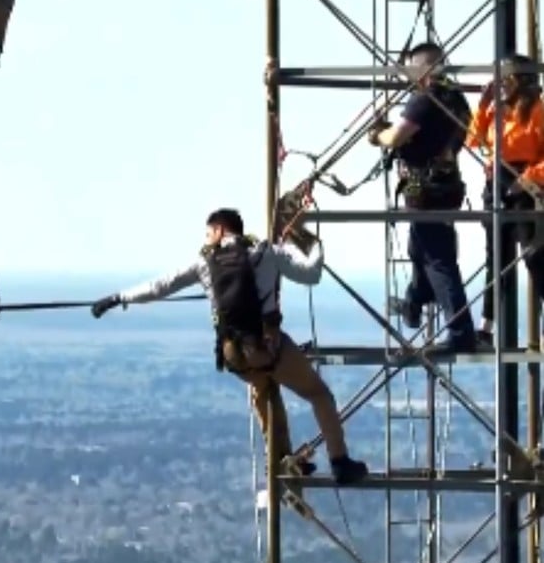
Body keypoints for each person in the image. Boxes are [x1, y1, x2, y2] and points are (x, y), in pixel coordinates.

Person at [89, 208, 369, 486]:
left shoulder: (203, 263)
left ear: (221, 230)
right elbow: (311, 274)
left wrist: (119, 297)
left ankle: (281, 460)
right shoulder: (266, 252)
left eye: (209, 232)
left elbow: (161, 286)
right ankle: (340, 462)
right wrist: (315, 245)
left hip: (235, 356)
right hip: (269, 348)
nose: (207, 238)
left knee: (263, 390)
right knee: (319, 394)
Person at [369, 41, 478, 353]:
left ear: (422, 67)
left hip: (426, 191)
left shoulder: (425, 99)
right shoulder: (457, 100)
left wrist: (378, 134)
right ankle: (415, 300)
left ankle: (460, 333)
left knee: (437, 260)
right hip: (447, 187)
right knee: (420, 249)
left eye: (411, 69)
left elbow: (397, 136)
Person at [466, 53, 544, 345]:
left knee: (534, 256)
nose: (498, 84)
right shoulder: (497, 110)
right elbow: (473, 141)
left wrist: (528, 179)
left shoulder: (536, 110)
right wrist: (484, 106)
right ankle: (486, 327)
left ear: (518, 80)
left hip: (526, 185)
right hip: (496, 182)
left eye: (504, 78)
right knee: (497, 258)